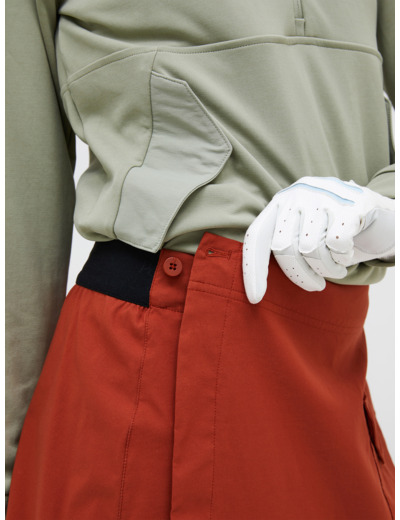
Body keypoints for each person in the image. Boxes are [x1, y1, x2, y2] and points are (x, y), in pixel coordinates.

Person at [5, 0, 395, 518]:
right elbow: (18, 194)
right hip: (150, 360)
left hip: (331, 364)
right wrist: (16, 457)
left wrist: (382, 212)